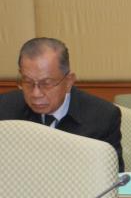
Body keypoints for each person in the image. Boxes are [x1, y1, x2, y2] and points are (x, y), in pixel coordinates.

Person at [0, 37, 124, 171]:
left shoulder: (103, 117)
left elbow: (112, 177)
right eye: (28, 82)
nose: (36, 94)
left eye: (46, 83)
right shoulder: (4, 108)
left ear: (69, 81)